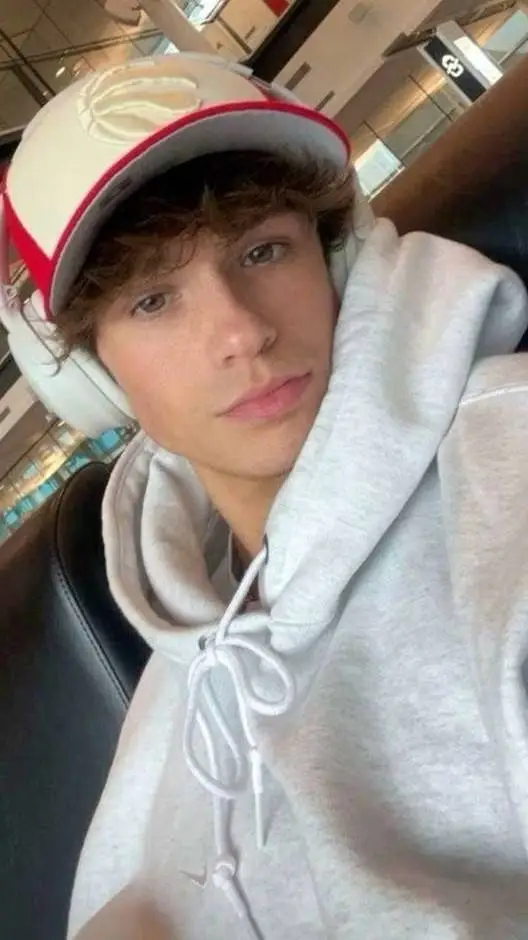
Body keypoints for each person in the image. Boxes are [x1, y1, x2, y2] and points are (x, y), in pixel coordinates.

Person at [4, 52, 528, 940]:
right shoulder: (174, 670)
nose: (241, 331)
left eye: (262, 250)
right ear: (92, 380)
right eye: (154, 300)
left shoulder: (505, 468)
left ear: (336, 258)